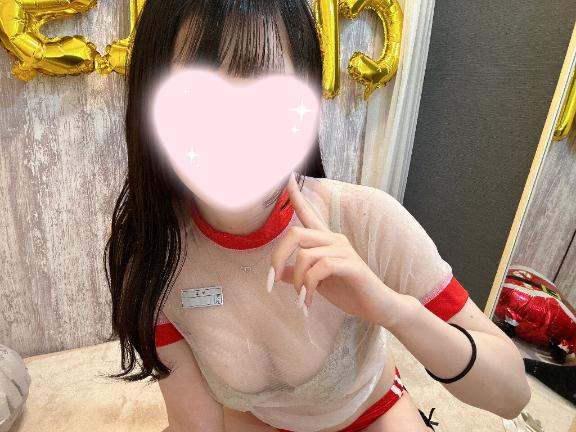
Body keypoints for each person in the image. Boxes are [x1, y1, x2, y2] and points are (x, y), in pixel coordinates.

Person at [103, 1, 532, 431]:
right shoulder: (156, 256)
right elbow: (195, 423)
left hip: (372, 414)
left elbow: (512, 394)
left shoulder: (366, 220)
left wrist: (393, 310)